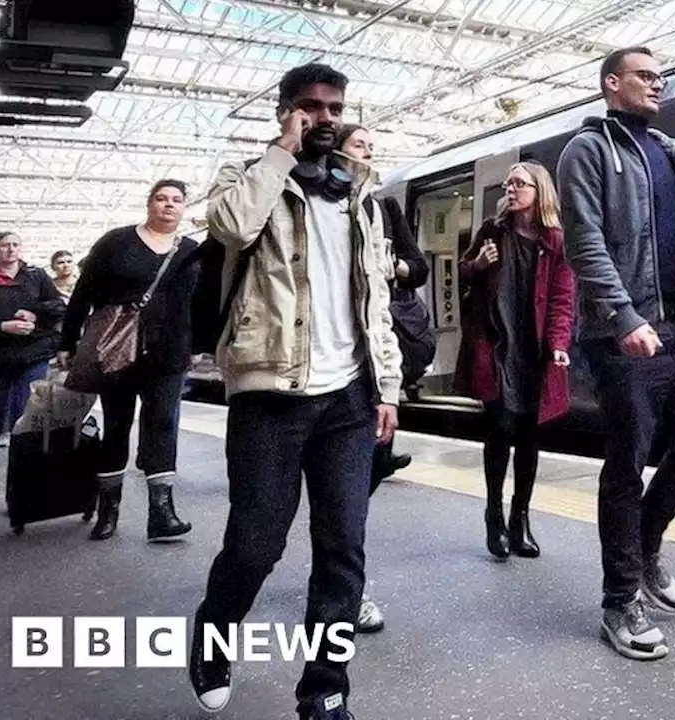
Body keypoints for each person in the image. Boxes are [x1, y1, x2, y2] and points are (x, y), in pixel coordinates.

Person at [190, 63, 402, 720]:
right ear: (286, 111)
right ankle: (214, 632)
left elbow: (376, 302)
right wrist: (281, 150)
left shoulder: (360, 195)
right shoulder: (245, 178)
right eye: (309, 106)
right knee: (256, 544)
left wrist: (387, 385)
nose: (323, 117)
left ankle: (325, 689)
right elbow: (230, 227)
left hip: (348, 399)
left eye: (333, 107)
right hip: (270, 396)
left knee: (343, 550)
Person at [557, 46, 675, 661]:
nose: (658, 82)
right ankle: (619, 600)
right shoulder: (588, 150)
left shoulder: (668, 151)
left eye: (662, 74)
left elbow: (666, 244)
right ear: (612, 84)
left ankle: (647, 542)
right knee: (628, 463)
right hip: (623, 335)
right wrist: (624, 315)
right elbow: (585, 243)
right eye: (644, 75)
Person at [59, 181, 200, 543]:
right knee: (117, 425)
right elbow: (83, 292)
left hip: (169, 352)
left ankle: (162, 514)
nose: (168, 205)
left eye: (176, 200)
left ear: (184, 208)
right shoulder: (116, 242)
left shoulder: (191, 250)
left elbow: (199, 303)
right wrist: (68, 340)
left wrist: (200, 344)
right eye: (161, 198)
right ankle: (109, 510)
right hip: (117, 350)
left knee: (163, 423)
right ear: (149, 203)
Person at [455, 161, 575, 561]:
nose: (511, 189)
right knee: (500, 430)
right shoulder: (493, 231)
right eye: (508, 184)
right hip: (498, 347)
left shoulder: (556, 240)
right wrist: (479, 265)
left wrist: (559, 343)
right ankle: (494, 513)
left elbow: (562, 297)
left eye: (519, 184)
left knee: (528, 436)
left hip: (534, 351)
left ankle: (520, 520)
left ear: (538, 191)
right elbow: (465, 272)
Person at [334, 122, 428, 635]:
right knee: (262, 530)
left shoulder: (383, 207)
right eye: (358, 145)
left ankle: (346, 588)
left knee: (352, 488)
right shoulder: (310, 203)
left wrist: (386, 268)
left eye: (371, 147)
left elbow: (418, 267)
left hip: (369, 357)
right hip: (314, 367)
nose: (367, 153)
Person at [0, 232, 65, 506]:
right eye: (5, 245)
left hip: (32, 355)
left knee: (27, 421)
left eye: (15, 244)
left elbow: (57, 306)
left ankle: (23, 491)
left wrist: (35, 313)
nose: (11, 249)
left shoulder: (37, 276)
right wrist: (0, 327)